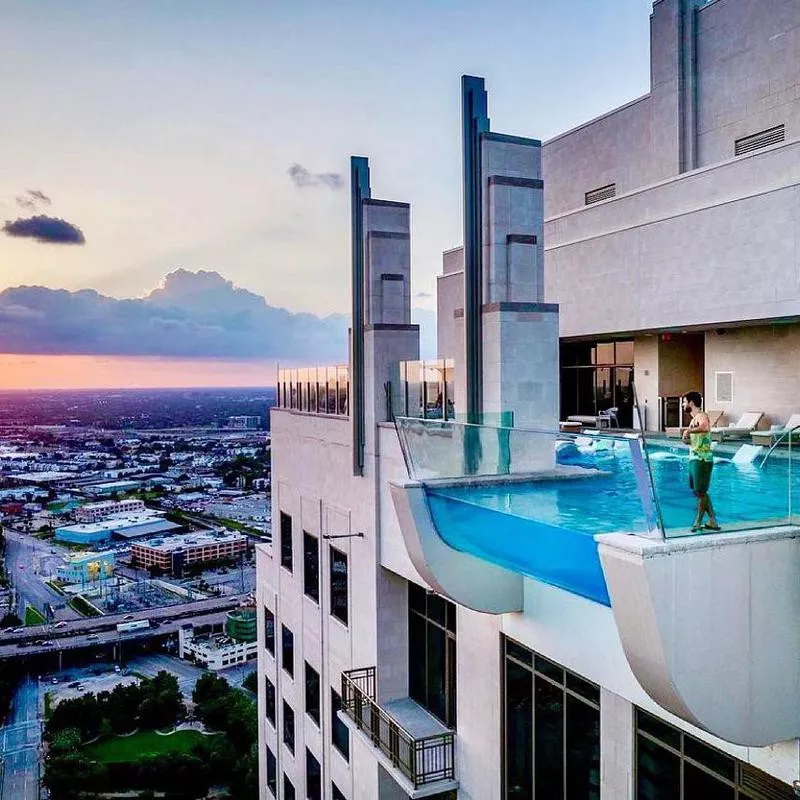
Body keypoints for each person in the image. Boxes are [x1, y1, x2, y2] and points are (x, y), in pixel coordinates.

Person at [681, 391, 721, 532]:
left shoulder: (702, 416)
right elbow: (697, 437)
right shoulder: (693, 420)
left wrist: (688, 432)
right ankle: (713, 521)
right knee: (699, 492)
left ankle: (698, 521)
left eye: (684, 402)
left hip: (702, 459)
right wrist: (687, 440)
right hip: (694, 458)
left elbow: (705, 427)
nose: (683, 404)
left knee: (700, 491)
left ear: (691, 403)